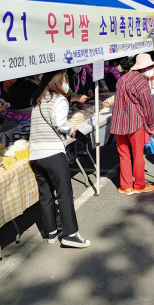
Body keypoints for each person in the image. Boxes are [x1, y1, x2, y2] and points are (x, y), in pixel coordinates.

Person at [29, 70, 90, 248]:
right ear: (58, 81)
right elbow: (60, 123)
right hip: (53, 153)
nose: (66, 82)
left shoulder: (38, 99)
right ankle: (70, 234)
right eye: (64, 79)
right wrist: (70, 130)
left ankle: (51, 232)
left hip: (36, 155)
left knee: (45, 195)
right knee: (64, 194)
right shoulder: (59, 100)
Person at [110, 54, 154, 195]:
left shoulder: (122, 79)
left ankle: (126, 186)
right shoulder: (141, 82)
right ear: (145, 68)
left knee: (124, 155)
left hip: (119, 123)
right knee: (137, 155)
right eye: (150, 67)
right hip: (135, 122)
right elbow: (148, 107)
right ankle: (139, 185)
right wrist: (151, 125)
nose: (151, 70)